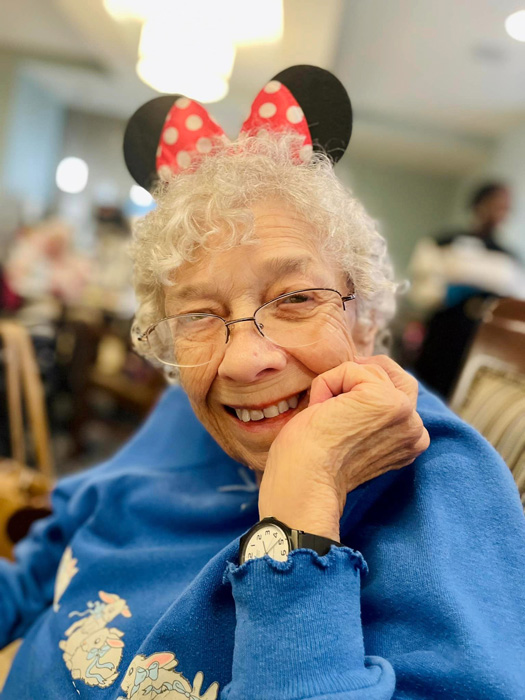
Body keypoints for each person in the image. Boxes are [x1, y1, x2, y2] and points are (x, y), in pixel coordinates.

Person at [1, 66, 524, 700]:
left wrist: (301, 515)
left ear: (366, 313)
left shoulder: (440, 478)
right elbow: (44, 565)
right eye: (199, 315)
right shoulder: (186, 413)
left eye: (296, 297)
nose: (244, 361)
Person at [408, 182, 525, 399]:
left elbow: (515, 301)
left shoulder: (510, 259)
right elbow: (422, 291)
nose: (501, 212)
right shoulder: (443, 242)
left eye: (506, 207)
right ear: (479, 204)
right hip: (443, 332)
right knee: (429, 390)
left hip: (483, 340)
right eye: (496, 204)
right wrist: (451, 293)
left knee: (464, 394)